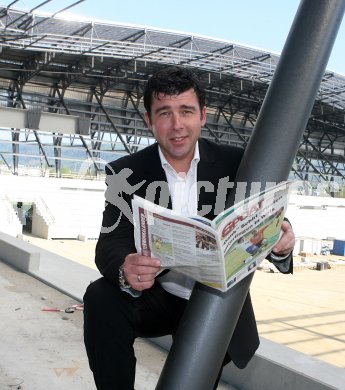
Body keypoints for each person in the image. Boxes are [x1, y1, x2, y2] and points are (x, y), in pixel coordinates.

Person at [83, 66, 295, 389]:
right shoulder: (126, 172)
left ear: (203, 116)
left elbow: (263, 222)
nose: (177, 124)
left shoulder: (237, 164)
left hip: (213, 302)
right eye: (165, 113)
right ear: (149, 121)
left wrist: (281, 244)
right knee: (99, 297)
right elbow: (109, 244)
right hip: (155, 295)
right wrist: (126, 268)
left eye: (186, 111)